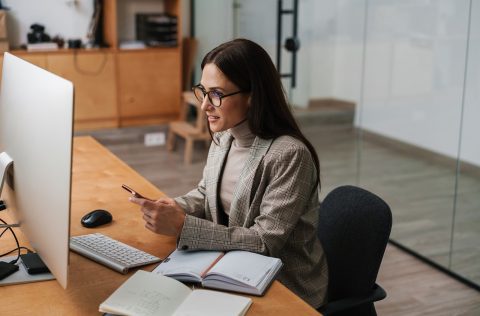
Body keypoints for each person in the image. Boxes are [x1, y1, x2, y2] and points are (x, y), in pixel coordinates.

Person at [130, 38, 328, 308]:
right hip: (231, 268)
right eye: (203, 91)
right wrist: (175, 206)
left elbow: (265, 241)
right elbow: (205, 192)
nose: (204, 106)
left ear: (252, 97)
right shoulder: (224, 136)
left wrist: (182, 225)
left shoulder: (289, 155)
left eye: (217, 94)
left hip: (286, 288)